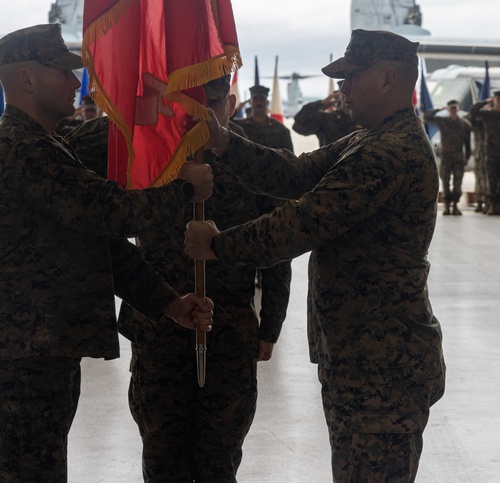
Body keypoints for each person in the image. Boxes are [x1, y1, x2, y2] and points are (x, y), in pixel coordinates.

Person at [186, 29, 445, 483]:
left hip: (382, 361)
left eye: (350, 77)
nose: (341, 88)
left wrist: (218, 245)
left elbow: (303, 222)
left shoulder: (391, 152)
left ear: (388, 78)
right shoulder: (366, 140)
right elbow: (293, 175)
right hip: (361, 352)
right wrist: (224, 141)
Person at [0, 24, 215, 483]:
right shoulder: (24, 150)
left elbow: (99, 244)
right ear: (26, 80)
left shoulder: (46, 145)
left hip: (37, 346)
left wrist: (167, 303)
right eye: (62, 71)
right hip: (19, 351)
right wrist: (184, 190)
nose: (76, 82)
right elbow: (110, 213)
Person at [68, 75, 293, 483]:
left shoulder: (253, 160)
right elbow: (95, 197)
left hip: (229, 328)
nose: (201, 115)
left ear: (232, 102)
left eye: (211, 103)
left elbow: (275, 250)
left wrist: (271, 325)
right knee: (162, 453)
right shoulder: (150, 157)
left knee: (219, 456)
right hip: (159, 326)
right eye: (188, 104)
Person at [469, 90, 500, 215]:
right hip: (490, 153)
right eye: (497, 99)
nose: (499, 102)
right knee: (491, 181)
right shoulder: (487, 115)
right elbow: (473, 112)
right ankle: (491, 205)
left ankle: (499, 205)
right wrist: (485, 102)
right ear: (494, 100)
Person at [423, 100, 470, 215]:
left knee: (458, 183)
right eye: (451, 108)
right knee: (445, 182)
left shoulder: (464, 124)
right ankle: (446, 206)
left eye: (455, 108)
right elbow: (427, 117)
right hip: (446, 157)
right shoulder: (443, 122)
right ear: (449, 109)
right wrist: (440, 109)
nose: (453, 110)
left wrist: (467, 157)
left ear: (458, 109)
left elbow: (467, 143)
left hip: (458, 158)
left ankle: (455, 205)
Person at [234, 84, 293, 152]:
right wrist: (237, 110)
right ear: (250, 102)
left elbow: (290, 158)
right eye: (256, 99)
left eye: (262, 99)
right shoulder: (240, 126)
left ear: (267, 102)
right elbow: (222, 124)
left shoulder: (280, 129)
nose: (259, 102)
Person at [293, 90, 360, 147]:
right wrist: (322, 103)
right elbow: (298, 124)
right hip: (332, 162)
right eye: (344, 93)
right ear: (338, 96)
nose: (347, 96)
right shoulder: (327, 118)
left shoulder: (365, 119)